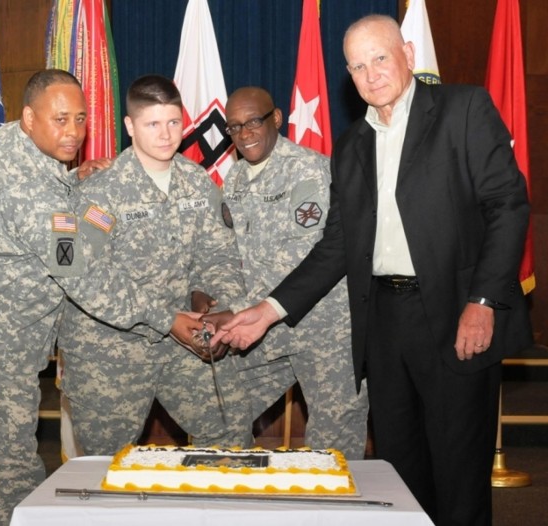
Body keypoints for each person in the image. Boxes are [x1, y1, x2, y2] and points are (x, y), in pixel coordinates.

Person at [210, 15, 533, 526]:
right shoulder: (352, 144)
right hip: (382, 326)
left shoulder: (462, 108)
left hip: (455, 313)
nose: (371, 74)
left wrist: (484, 301)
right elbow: (336, 246)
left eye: (379, 58)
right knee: (398, 474)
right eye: (358, 66)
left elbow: (508, 206)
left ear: (407, 52)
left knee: (458, 474)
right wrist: (269, 311)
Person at [0, 69, 205, 526]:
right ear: (28, 118)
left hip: (0, 335)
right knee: (0, 474)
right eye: (60, 120)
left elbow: (54, 213)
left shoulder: (10, 142)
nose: (73, 133)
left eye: (80, 119)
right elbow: (84, 275)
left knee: (5, 462)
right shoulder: (30, 193)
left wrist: (74, 181)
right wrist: (167, 317)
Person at [56, 74, 253, 457]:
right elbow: (83, 280)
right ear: (130, 126)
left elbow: (219, 254)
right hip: (109, 353)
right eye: (152, 124)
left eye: (174, 122)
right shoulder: (97, 192)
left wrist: (215, 305)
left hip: (185, 341)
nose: (166, 135)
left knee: (231, 437)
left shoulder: (196, 182)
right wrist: (167, 319)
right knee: (106, 466)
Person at [218, 86, 368, 458]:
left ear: (277, 119)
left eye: (253, 121)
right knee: (218, 413)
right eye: (234, 127)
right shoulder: (234, 180)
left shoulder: (309, 170)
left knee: (333, 447)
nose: (245, 133)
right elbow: (228, 253)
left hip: (324, 332)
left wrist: (238, 309)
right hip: (262, 328)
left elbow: (302, 254)